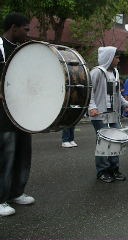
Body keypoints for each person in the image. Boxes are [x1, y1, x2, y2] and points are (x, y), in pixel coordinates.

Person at [0, 12, 34, 217]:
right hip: (3, 114)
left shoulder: (22, 50)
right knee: (6, 156)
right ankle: (1, 199)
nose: (27, 33)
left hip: (22, 112)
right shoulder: (0, 47)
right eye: (26, 29)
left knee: (23, 152)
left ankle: (16, 192)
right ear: (14, 28)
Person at [88, 46, 128, 183]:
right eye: (116, 57)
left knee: (116, 141)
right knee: (104, 142)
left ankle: (114, 169)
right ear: (108, 57)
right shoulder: (96, 72)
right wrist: (92, 107)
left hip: (113, 114)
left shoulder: (115, 72)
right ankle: (102, 171)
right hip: (99, 114)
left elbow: (117, 94)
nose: (118, 59)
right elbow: (89, 92)